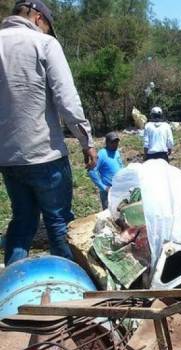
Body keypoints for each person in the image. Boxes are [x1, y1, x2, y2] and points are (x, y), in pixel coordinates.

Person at [0, 0, 97, 266]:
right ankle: (71, 291)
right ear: (38, 17)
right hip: (44, 153)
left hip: (8, 158)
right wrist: (86, 141)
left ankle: (11, 288)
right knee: (58, 221)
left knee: (22, 221)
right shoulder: (44, 43)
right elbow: (66, 99)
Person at [88, 132, 124, 210]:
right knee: (109, 214)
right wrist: (103, 187)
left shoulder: (117, 152)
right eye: (113, 142)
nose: (115, 144)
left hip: (119, 189)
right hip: (108, 191)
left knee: (120, 212)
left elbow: (121, 165)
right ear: (107, 142)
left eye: (116, 142)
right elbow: (92, 171)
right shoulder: (102, 154)